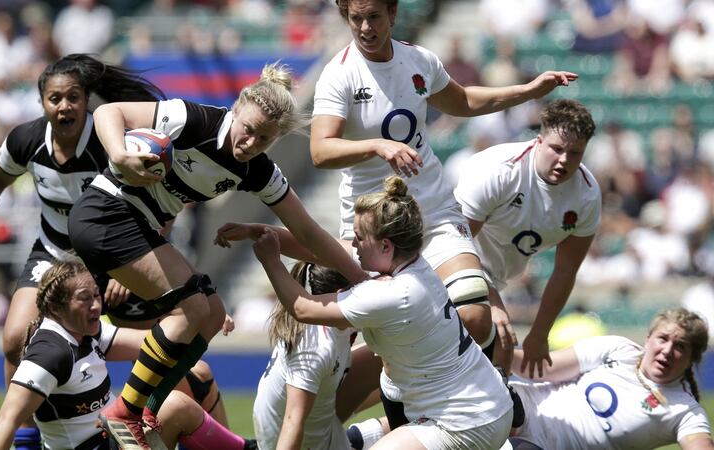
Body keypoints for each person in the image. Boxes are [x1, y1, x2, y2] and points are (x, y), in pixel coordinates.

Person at [67, 62, 367, 449]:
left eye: (264, 139)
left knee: (210, 311)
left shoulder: (259, 171)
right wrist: (120, 154)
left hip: (137, 225)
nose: (251, 144)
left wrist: (359, 278)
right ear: (236, 109)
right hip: (105, 211)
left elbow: (307, 231)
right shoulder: (194, 120)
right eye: (249, 130)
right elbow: (110, 112)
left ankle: (145, 409)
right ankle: (124, 410)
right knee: (192, 307)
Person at [311, 0, 577, 373]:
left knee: (475, 314)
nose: (366, 28)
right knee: (389, 343)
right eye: (356, 19)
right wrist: (376, 145)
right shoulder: (339, 74)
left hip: (431, 210)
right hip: (373, 226)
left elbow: (463, 100)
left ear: (393, 14)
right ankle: (399, 422)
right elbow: (320, 150)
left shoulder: (419, 60)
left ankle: (478, 408)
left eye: (374, 17)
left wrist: (529, 90)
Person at [0, 53, 164, 450]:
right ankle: (29, 438)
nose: (65, 106)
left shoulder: (108, 144)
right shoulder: (26, 140)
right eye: (55, 99)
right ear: (42, 103)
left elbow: (160, 208)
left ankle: (173, 428)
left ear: (86, 100)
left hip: (113, 256)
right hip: (52, 254)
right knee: (13, 340)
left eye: (74, 97)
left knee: (169, 348)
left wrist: (123, 271)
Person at [252, 176, 513, 450]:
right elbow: (319, 247)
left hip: (466, 423)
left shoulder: (390, 294)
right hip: (487, 403)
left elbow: (302, 308)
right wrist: (257, 231)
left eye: (359, 238)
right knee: (389, 386)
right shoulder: (413, 264)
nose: (353, 244)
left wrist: (270, 261)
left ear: (386, 245)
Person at [0, 261, 256, 450]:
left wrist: (198, 322)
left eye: (96, 296)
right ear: (57, 306)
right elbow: (6, 419)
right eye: (84, 298)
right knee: (176, 405)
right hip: (101, 444)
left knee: (197, 373)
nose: (95, 305)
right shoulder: (50, 353)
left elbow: (152, 344)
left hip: (115, 438)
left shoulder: (84, 331)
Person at [453, 99, 601, 377]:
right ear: (538, 141)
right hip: (449, 264)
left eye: (575, 153)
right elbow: (454, 243)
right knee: (482, 331)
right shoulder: (498, 170)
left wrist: (540, 334)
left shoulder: (587, 195)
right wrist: (492, 302)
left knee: (500, 360)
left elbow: (566, 270)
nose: (564, 161)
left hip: (494, 278)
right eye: (557, 149)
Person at [508, 308, 714, 450]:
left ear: (692, 359)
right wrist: (496, 351)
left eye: (680, 346)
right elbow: (541, 368)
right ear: (648, 339)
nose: (667, 351)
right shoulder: (618, 349)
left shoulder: (685, 411)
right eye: (663, 338)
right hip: (524, 406)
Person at [253, 261, 354, 450]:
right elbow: (293, 420)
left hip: (326, 432)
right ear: (341, 295)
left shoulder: (333, 322)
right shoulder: (314, 346)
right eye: (357, 288)